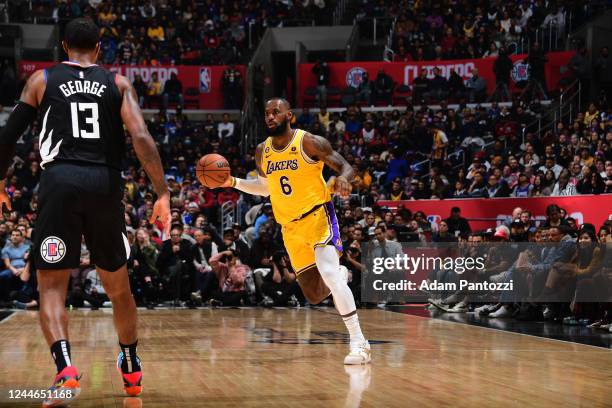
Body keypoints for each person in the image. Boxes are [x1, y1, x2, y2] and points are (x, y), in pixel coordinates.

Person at [0, 18, 171, 405]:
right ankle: (130, 365)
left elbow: (8, 136)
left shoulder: (42, 80)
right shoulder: (118, 83)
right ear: (98, 49)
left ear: (63, 46)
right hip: (105, 184)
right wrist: (162, 193)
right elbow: (141, 137)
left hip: (60, 182)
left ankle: (66, 372)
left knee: (52, 285)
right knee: (118, 285)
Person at [222, 97, 371, 364]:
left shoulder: (309, 142)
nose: (270, 117)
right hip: (290, 228)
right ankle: (340, 274)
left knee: (327, 273)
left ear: (289, 115)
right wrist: (232, 181)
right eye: (267, 113)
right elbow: (265, 189)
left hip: (318, 217)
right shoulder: (262, 151)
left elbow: (347, 168)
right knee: (314, 294)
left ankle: (359, 342)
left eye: (275, 112)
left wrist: (344, 181)